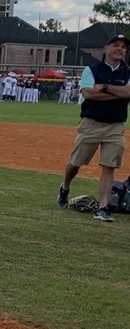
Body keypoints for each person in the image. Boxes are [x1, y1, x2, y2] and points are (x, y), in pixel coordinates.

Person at [56, 34, 130, 221]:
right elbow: (88, 94)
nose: (119, 49)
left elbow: (128, 92)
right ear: (105, 49)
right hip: (91, 123)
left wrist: (104, 87)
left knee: (109, 167)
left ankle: (103, 208)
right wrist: (119, 94)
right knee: (75, 163)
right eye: (115, 45)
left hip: (115, 125)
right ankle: (65, 188)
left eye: (123, 46)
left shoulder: (128, 71)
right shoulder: (91, 69)